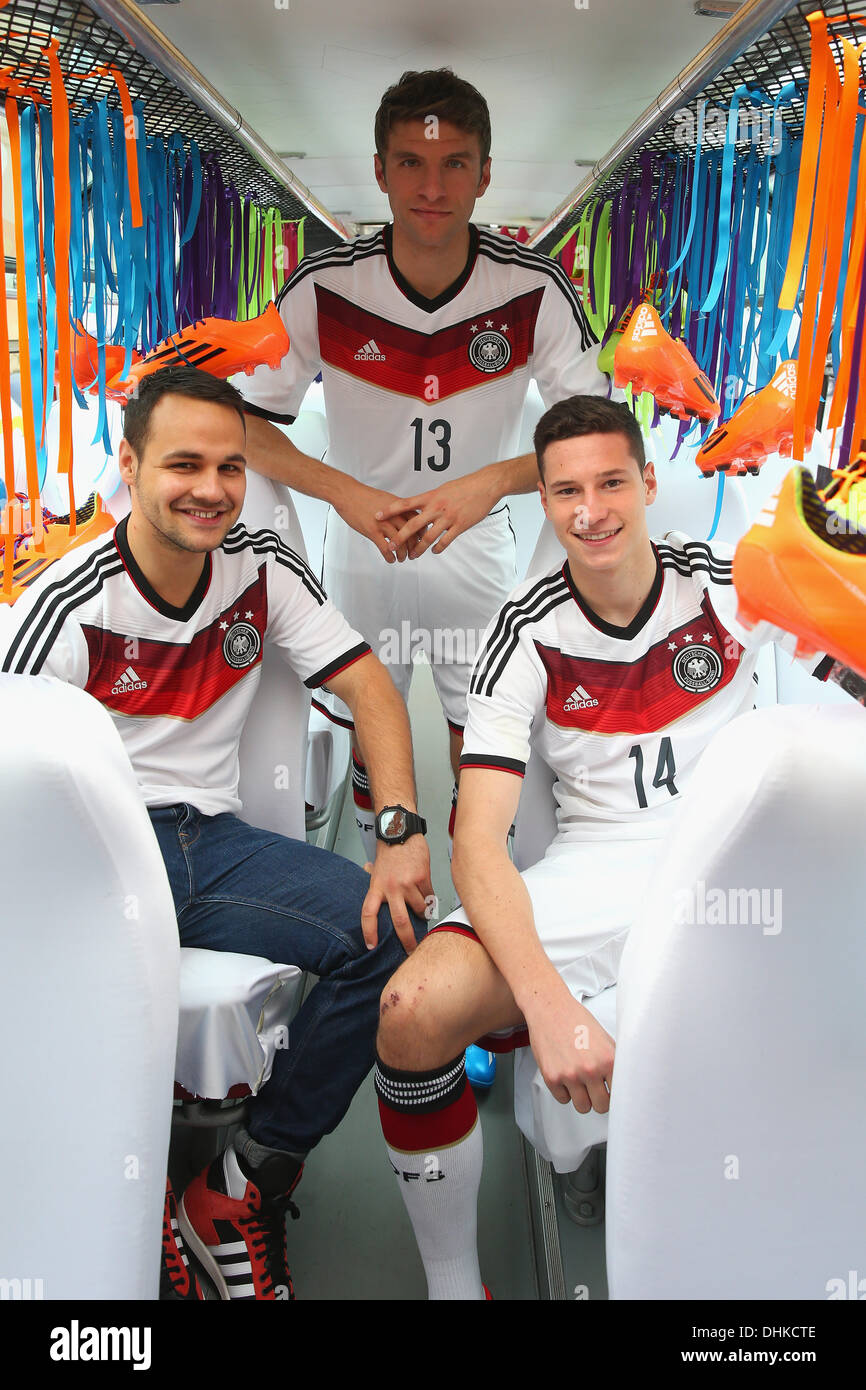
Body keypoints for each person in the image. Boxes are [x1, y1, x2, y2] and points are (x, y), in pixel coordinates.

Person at [371, 394, 862, 1301]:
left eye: (609, 482)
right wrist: (547, 1007)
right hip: (600, 868)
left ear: (647, 481)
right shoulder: (520, 635)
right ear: (546, 504)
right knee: (410, 1012)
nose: (590, 510)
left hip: (740, 855)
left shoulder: (730, 582)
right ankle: (453, 1284)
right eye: (565, 491)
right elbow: (477, 840)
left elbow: (852, 666)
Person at [0, 365, 433, 1301]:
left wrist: (397, 828)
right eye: (184, 464)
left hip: (213, 846)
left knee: (397, 936)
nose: (211, 489)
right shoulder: (68, 603)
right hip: (92, 855)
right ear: (130, 464)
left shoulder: (261, 563)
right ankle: (114, 1191)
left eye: (229, 467)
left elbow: (369, 689)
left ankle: (240, 1180)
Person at [236, 67, 611, 856]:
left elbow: (600, 430)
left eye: (453, 163)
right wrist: (343, 492)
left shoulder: (534, 289)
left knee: (481, 734)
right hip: (361, 551)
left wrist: (491, 482)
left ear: (484, 173)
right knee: (370, 723)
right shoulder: (325, 284)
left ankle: (474, 915)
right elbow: (242, 427)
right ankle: (385, 890)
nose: (432, 186)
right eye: (410, 162)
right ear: (379, 170)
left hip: (473, 550)